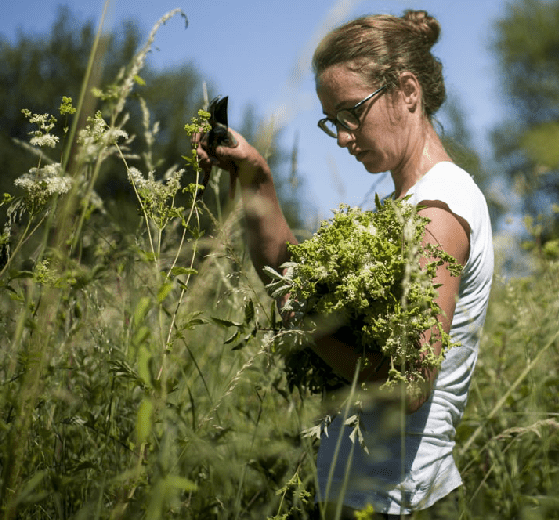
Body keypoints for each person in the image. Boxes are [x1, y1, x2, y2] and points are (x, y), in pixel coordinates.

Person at [195, 9, 493, 519]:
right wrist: (255, 177)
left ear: (407, 92)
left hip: (400, 504)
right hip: (359, 498)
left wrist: (308, 328)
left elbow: (410, 384)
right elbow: (289, 279)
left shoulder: (439, 209)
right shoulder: (408, 204)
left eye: (353, 112)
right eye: (333, 120)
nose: (342, 136)